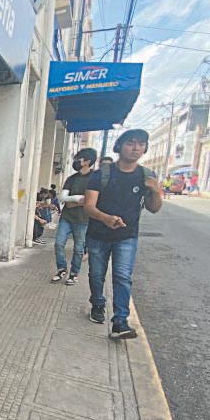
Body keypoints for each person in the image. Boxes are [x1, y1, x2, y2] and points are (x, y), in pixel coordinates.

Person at [84, 129, 163, 339]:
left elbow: (154, 208)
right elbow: (89, 206)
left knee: (122, 276)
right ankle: (97, 303)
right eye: (131, 143)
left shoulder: (146, 176)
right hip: (98, 234)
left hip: (127, 236)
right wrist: (105, 218)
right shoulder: (102, 174)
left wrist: (155, 191)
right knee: (96, 274)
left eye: (141, 144)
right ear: (120, 146)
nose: (136, 148)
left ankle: (120, 322)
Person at [52, 148, 95, 285]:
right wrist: (78, 199)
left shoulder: (95, 179)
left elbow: (95, 199)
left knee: (78, 249)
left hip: (84, 220)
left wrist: (74, 201)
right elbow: (62, 197)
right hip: (67, 217)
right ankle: (61, 269)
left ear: (87, 161)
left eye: (79, 159)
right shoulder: (72, 179)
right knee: (59, 243)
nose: (76, 161)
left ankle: (74, 274)